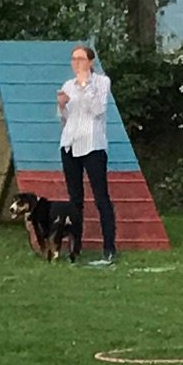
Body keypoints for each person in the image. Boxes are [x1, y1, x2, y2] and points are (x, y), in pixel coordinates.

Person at [55, 44, 119, 266]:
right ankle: (75, 246)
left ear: (90, 62)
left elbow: (98, 110)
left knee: (101, 197)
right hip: (70, 144)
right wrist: (62, 106)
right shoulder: (68, 85)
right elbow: (65, 119)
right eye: (74, 59)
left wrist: (84, 85)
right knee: (75, 199)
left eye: (81, 59)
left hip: (93, 145)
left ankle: (109, 247)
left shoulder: (101, 82)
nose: (77, 64)